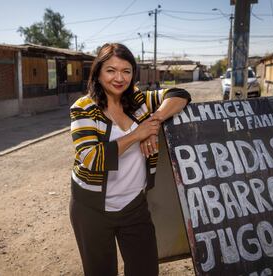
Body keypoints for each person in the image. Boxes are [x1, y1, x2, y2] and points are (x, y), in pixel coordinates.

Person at [69, 43, 190, 276]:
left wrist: (154, 122)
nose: (119, 78)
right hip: (91, 209)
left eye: (126, 71)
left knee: (145, 270)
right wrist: (138, 134)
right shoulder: (83, 108)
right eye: (111, 70)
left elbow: (180, 95)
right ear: (98, 72)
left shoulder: (138, 100)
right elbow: (93, 158)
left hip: (134, 206)